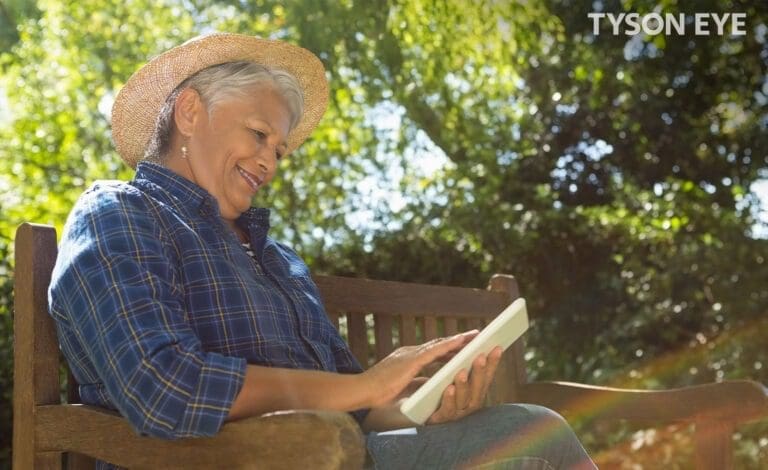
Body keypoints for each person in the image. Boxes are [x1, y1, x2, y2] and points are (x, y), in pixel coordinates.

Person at [48, 33, 596, 469]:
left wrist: (420, 410)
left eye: (280, 150)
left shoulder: (278, 259)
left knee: (524, 433)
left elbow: (357, 408)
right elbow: (162, 386)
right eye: (259, 134)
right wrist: (363, 387)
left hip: (339, 453)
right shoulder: (120, 213)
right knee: (533, 434)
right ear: (189, 112)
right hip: (222, 463)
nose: (270, 162)